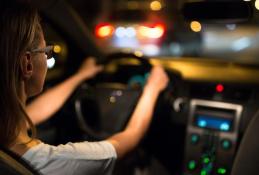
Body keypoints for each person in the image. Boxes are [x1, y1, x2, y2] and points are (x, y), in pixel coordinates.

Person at [0, 1, 169, 175]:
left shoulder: (7, 130)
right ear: (27, 64)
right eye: (46, 51)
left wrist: (80, 76)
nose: (47, 56)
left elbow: (35, 111)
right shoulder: (49, 162)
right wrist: (152, 89)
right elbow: (128, 139)